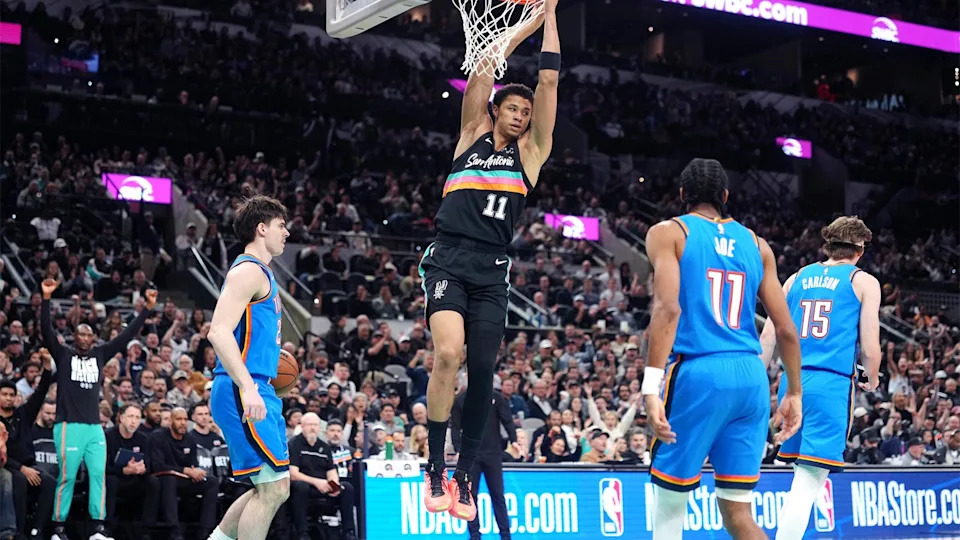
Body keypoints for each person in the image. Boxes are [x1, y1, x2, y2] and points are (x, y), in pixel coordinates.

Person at [419, 0, 561, 521]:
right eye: (514, 109)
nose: (522, 116)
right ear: (496, 111)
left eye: (526, 113)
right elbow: (484, 64)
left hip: (492, 269)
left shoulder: (531, 156)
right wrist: (523, 25)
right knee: (449, 355)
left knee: (483, 371)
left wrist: (550, 16)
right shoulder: (470, 137)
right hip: (449, 260)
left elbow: (548, 83)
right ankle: (434, 467)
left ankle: (464, 477)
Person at [642, 158, 803, 540]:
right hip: (750, 377)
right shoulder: (757, 244)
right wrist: (794, 390)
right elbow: (786, 330)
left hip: (701, 371)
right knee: (737, 513)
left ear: (682, 195)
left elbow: (668, 308)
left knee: (669, 510)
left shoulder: (669, 232)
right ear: (725, 196)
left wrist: (651, 387)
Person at [760, 216, 881, 540]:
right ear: (859, 249)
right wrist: (872, 378)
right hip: (830, 384)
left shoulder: (797, 277)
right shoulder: (863, 281)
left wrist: (760, 378)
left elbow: (769, 335)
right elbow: (870, 348)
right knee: (810, 480)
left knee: (803, 473)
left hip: (792, 382)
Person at [40, 278, 157, 540]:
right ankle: (58, 528)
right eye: (80, 333)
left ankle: (97, 528)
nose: (84, 338)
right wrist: (46, 298)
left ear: (93, 338)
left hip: (95, 428)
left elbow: (127, 335)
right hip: (69, 425)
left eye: (89, 334)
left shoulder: (100, 354)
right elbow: (46, 332)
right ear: (74, 336)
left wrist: (147, 309)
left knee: (98, 476)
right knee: (67, 477)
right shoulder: (64, 354)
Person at [207, 195, 291, 540]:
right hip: (243, 389)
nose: (286, 233)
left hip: (255, 386)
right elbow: (217, 331)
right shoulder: (248, 271)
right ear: (261, 228)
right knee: (274, 488)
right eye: (281, 226)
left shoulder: (261, 274)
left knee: (268, 486)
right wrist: (249, 386)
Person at [450, 382, 517, 540]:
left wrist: (514, 439)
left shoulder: (496, 397)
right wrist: (458, 448)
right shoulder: (460, 400)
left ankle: (505, 535)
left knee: (498, 495)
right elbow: (455, 426)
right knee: (471, 496)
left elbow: (507, 420)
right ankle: (475, 535)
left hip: (493, 453)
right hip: (470, 454)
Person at [1, 350, 53, 539]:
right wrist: (22, 469)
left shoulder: (23, 414)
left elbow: (40, 393)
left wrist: (47, 367)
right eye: (4, 394)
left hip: (29, 464)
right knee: (20, 480)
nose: (8, 398)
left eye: (11, 395)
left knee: (49, 481)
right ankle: (19, 531)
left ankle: (37, 530)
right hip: (8, 465)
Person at [150, 407, 220, 540]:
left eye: (185, 419)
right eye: (178, 419)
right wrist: (185, 470)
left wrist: (195, 472)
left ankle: (206, 531)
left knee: (211, 481)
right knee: (169, 479)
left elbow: (192, 464)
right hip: (163, 479)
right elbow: (157, 466)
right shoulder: (158, 437)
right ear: (170, 421)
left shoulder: (190, 439)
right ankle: (174, 530)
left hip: (184, 480)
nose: (182, 423)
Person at [288, 413, 357, 540]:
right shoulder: (294, 444)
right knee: (300, 486)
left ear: (320, 428)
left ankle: (349, 532)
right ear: (302, 426)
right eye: (309, 425)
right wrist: (317, 482)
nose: (313, 428)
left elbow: (331, 472)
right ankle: (302, 534)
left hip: (324, 488)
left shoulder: (324, 447)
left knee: (347, 487)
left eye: (315, 425)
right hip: (305, 487)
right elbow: (293, 474)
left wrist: (333, 485)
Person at [104, 404, 159, 538]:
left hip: (134, 480)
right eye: (130, 416)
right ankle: (107, 527)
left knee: (153, 481)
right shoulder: (108, 436)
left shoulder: (143, 438)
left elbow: (150, 466)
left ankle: (146, 529)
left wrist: (142, 469)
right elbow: (103, 467)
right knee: (111, 481)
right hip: (114, 480)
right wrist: (123, 471)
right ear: (121, 418)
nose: (134, 421)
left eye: (137, 417)